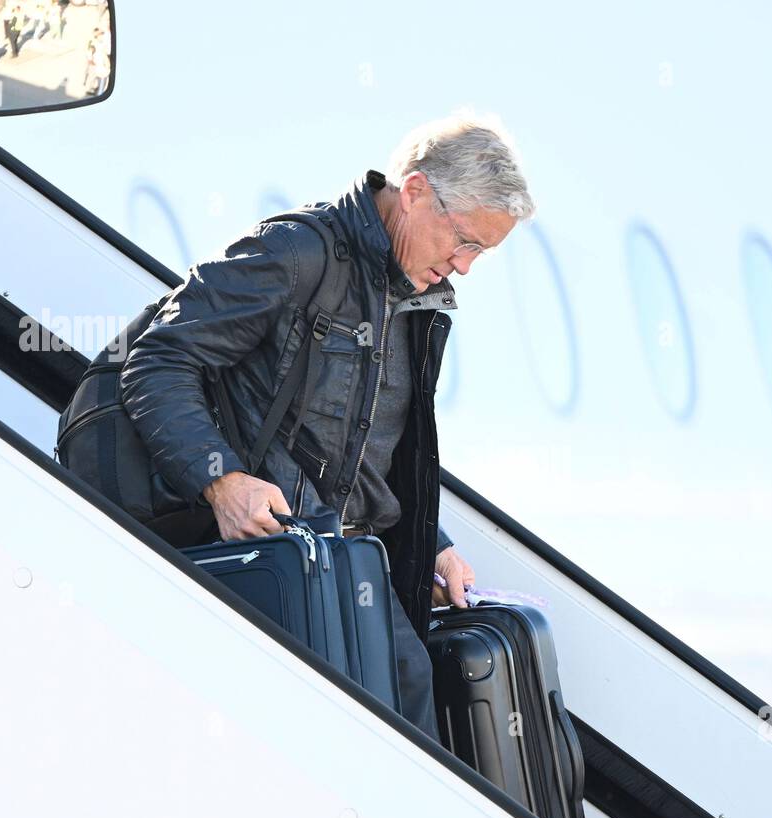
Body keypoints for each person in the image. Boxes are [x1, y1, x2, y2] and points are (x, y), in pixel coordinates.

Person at [118, 114, 533, 743]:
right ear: (415, 191)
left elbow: (360, 448)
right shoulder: (295, 251)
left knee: (409, 693)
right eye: (465, 240)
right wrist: (223, 483)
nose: (466, 266)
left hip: (346, 566)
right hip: (275, 560)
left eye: (481, 253)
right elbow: (157, 361)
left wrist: (434, 543)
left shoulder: (417, 295)